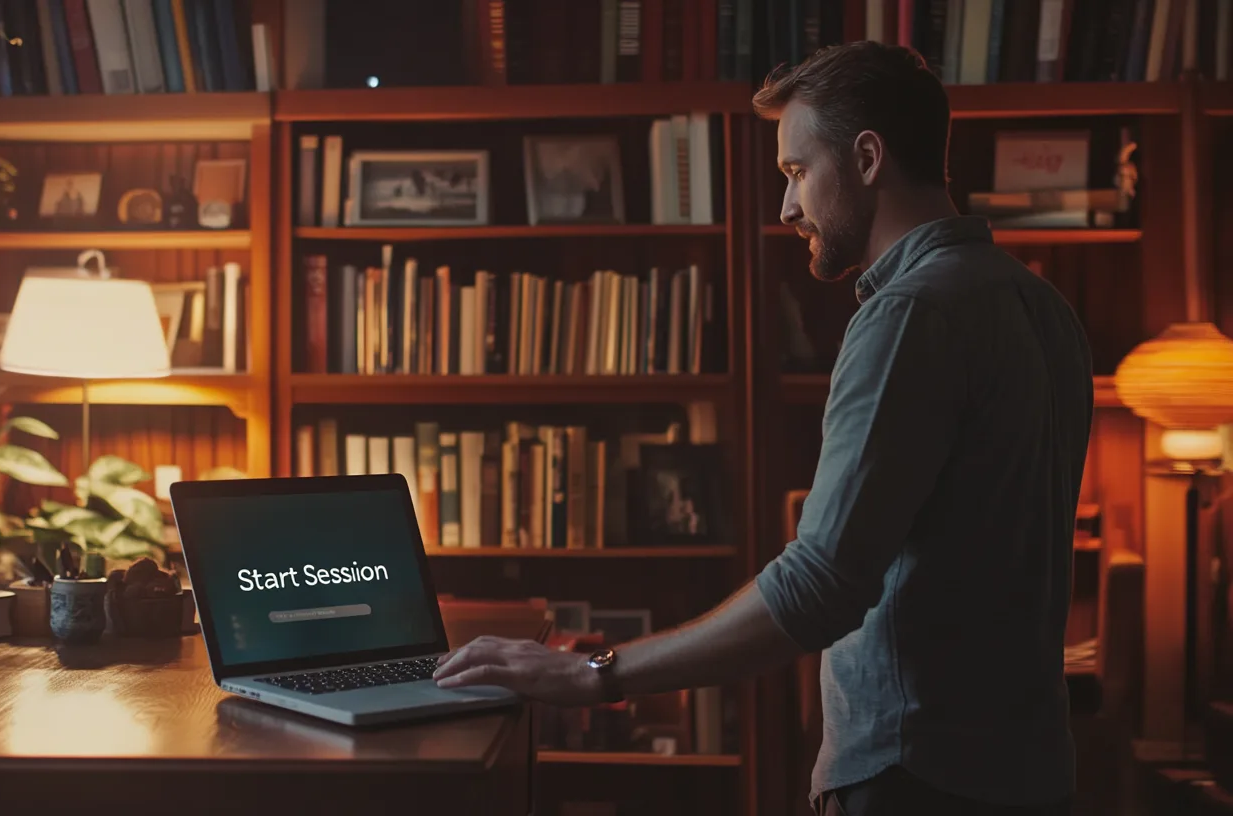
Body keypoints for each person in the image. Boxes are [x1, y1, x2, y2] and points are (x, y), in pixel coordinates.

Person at [432, 41, 1091, 816]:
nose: (786, 208)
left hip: (916, 777)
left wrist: (594, 673)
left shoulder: (910, 316)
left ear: (868, 157)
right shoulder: (1045, 309)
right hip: (1031, 773)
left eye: (796, 172)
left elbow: (820, 585)